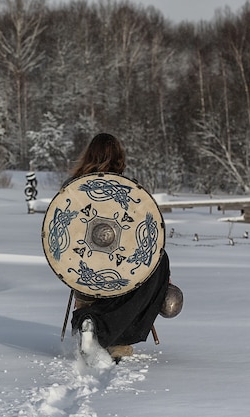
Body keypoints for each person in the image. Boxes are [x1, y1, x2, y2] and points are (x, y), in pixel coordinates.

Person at [66, 133, 171, 363]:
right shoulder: (126, 191)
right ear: (119, 157)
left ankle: (90, 322)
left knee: (146, 264)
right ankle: (110, 335)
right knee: (157, 264)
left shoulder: (72, 189)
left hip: (80, 269)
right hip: (111, 270)